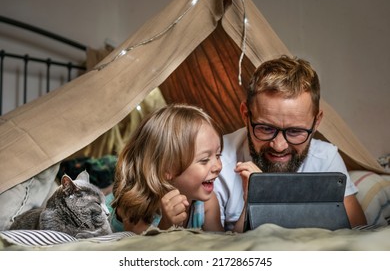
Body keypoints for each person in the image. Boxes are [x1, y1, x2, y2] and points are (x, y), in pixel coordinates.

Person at [214, 55, 367, 232]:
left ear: (316, 122)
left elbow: (360, 239)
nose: (279, 146)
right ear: (245, 114)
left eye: (295, 132)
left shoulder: (325, 160)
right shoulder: (216, 162)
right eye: (266, 128)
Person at [108, 103, 224, 234]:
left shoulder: (206, 205)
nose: (218, 166)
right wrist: (166, 225)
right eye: (204, 160)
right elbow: (141, 251)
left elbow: (223, 247)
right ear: (167, 169)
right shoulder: (136, 207)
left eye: (218, 155)